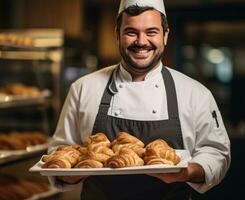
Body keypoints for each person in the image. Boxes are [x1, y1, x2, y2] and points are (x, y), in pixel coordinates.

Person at [48, 0, 231, 199]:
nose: (141, 41)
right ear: (117, 35)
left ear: (165, 35)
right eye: (131, 32)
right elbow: (61, 152)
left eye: (151, 32)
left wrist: (186, 172)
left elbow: (217, 153)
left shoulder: (195, 93)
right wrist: (69, 174)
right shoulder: (83, 88)